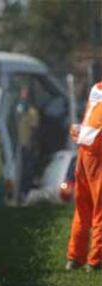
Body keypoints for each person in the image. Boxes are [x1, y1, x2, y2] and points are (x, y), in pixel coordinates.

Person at [66, 81, 102, 272]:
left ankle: (75, 257)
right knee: (100, 209)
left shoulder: (97, 88)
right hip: (98, 153)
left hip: (84, 150)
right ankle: (96, 261)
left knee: (83, 207)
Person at [15, 85, 40, 201]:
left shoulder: (32, 112)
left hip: (26, 144)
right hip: (18, 143)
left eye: (25, 93)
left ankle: (24, 193)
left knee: (26, 170)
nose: (23, 96)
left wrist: (32, 144)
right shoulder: (19, 109)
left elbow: (34, 129)